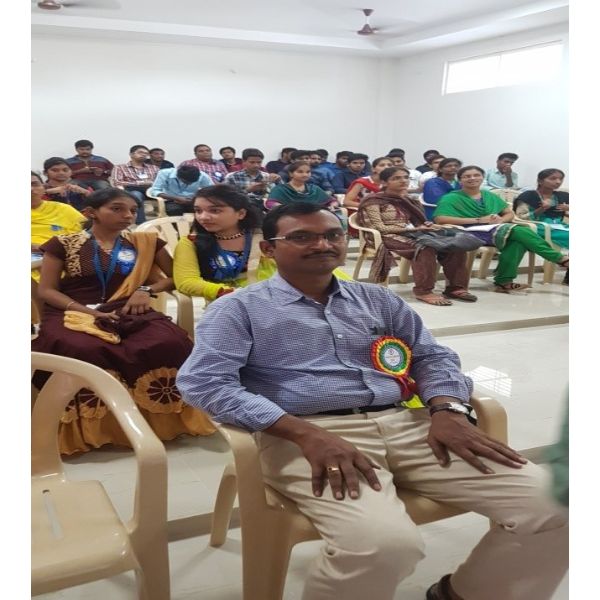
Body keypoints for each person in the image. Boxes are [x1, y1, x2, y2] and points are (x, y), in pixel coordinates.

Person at [176, 202, 568, 600]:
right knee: (384, 546)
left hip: (412, 425)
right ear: (270, 249)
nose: (322, 244)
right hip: (307, 434)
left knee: (560, 507)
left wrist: (448, 409)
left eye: (332, 235)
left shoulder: (377, 299)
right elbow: (204, 383)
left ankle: (464, 593)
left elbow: (431, 356)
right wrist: (303, 433)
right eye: (302, 237)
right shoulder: (238, 309)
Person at [32, 188, 215, 455]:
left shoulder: (144, 242)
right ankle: (98, 429)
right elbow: (47, 290)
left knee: (170, 341)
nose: (128, 215)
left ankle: (160, 420)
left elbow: (174, 278)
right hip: (71, 309)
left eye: (132, 210)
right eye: (117, 209)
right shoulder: (63, 243)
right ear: (91, 212)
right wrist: (88, 312)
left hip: (127, 307)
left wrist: (146, 290)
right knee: (82, 348)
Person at [434, 165, 569, 293]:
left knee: (517, 241)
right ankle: (560, 259)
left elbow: (509, 213)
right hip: (467, 231)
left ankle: (504, 282)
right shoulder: (451, 197)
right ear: (460, 180)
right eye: (467, 176)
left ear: (482, 178)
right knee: (518, 230)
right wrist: (478, 220)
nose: (472, 178)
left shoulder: (489, 195)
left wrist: (500, 220)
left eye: (477, 175)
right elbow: (440, 219)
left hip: (494, 228)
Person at [358, 167, 477, 305]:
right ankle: (423, 291)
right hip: (384, 236)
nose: (403, 181)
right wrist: (412, 229)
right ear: (384, 182)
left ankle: (455, 287)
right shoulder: (373, 200)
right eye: (396, 178)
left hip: (411, 233)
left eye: (406, 177)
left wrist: (425, 225)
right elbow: (378, 228)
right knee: (424, 248)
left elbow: (418, 222)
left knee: (454, 245)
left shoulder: (409, 200)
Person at [513, 168, 569, 249]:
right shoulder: (528, 195)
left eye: (561, 179)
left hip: (559, 226)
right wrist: (541, 209)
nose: (558, 182)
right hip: (537, 227)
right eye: (553, 178)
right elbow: (520, 218)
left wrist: (568, 208)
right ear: (540, 181)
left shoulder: (562, 196)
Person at [110, 145, 159, 225]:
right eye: (140, 152)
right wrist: (139, 183)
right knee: (136, 194)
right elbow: (117, 182)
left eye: (146, 153)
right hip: (132, 190)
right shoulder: (120, 167)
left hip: (151, 190)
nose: (143, 155)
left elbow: (159, 181)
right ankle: (141, 223)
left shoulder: (154, 168)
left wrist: (150, 183)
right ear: (131, 154)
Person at [267, 162, 339, 213]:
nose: (305, 175)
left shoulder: (314, 189)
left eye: (308, 172)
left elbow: (332, 201)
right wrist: (285, 209)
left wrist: (333, 206)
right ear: (291, 174)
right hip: (288, 218)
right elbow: (270, 203)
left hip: (314, 218)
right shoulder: (281, 189)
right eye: (300, 172)